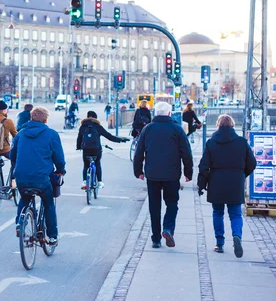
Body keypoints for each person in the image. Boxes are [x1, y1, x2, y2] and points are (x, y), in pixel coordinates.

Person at [133, 101, 193, 249]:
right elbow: (186, 153)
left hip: (152, 174)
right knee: (172, 203)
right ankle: (168, 228)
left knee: (154, 206)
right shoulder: (177, 129)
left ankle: (155, 239)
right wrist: (188, 172)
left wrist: (138, 171)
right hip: (172, 174)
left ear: (155, 113)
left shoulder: (148, 129)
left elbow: (139, 152)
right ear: (169, 114)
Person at [197, 114, 256, 256]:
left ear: (218, 125)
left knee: (217, 213)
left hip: (216, 182)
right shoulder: (242, 142)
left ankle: (219, 243)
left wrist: (201, 184)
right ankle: (237, 236)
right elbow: (252, 163)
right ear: (233, 125)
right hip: (235, 182)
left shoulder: (211, 143)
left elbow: (203, 166)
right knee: (235, 214)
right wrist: (242, 175)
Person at [10, 107, 66, 245]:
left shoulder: (20, 134)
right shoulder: (51, 134)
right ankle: (53, 236)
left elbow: (12, 155)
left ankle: (19, 224)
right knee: (48, 203)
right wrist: (60, 170)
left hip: (22, 177)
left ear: (31, 118)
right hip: (41, 179)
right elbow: (58, 156)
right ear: (46, 120)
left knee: (25, 197)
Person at [77, 111, 128, 189]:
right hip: (96, 150)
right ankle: (100, 182)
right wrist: (120, 140)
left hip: (86, 150)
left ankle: (84, 182)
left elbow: (79, 139)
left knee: (86, 165)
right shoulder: (98, 127)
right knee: (97, 164)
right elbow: (109, 136)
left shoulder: (83, 127)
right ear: (95, 118)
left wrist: (78, 147)